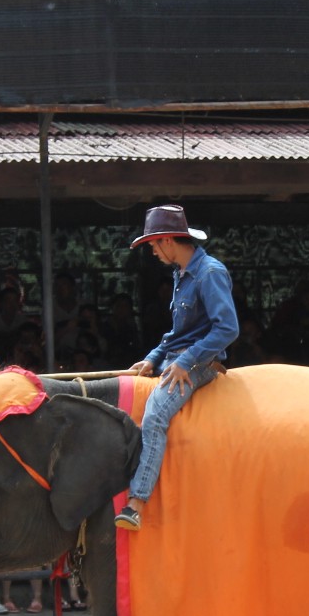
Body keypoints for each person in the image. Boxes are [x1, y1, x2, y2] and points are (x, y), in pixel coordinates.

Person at [115, 205, 239, 530]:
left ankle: (136, 503)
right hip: (176, 358)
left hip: (201, 362)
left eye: (154, 245)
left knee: (155, 414)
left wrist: (186, 361)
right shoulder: (179, 275)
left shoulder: (210, 273)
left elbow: (227, 328)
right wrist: (153, 357)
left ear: (168, 241)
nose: (153, 252)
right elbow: (176, 334)